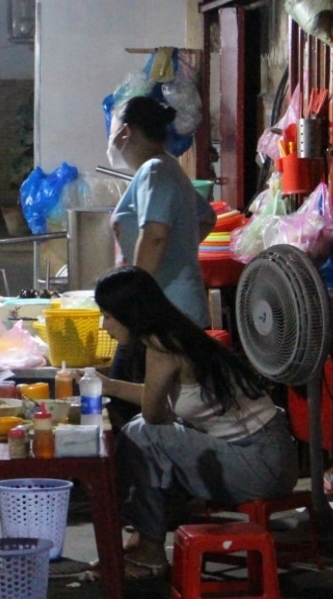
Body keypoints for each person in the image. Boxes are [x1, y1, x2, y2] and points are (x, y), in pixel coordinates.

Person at [91, 266, 298, 580]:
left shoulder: (161, 347)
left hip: (259, 461)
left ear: (128, 313)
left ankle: (150, 550)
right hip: (265, 452)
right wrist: (106, 384)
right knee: (140, 434)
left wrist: (110, 387)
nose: (104, 325)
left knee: (142, 435)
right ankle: (145, 539)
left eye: (107, 315)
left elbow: (153, 415)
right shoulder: (175, 332)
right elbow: (158, 401)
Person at [106, 95, 217, 423]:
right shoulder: (167, 168)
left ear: (125, 132)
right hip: (174, 308)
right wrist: (178, 255)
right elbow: (206, 218)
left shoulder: (155, 170)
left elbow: (154, 234)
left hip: (161, 313)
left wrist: (132, 296)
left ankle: (140, 472)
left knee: (131, 407)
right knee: (153, 405)